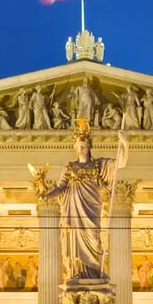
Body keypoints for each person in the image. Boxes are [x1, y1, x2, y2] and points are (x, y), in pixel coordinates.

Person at [40, 119, 124, 282]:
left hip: (91, 207)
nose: (81, 149)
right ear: (75, 148)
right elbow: (61, 187)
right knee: (75, 239)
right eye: (79, 146)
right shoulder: (69, 167)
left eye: (84, 146)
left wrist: (125, 143)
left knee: (94, 238)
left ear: (89, 146)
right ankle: (77, 271)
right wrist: (47, 195)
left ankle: (94, 271)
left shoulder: (98, 165)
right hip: (74, 209)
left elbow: (120, 163)